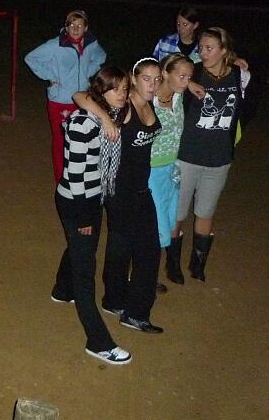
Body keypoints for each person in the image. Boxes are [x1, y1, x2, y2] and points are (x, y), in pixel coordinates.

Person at [51, 66, 132, 365]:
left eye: (124, 89)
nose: (121, 94)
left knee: (80, 249)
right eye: (115, 89)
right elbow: (74, 175)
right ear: (100, 92)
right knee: (86, 271)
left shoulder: (113, 115)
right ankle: (98, 342)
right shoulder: (82, 124)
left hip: (93, 197)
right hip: (78, 202)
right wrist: (85, 218)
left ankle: (62, 290)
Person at [76, 58, 164, 333]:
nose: (152, 84)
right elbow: (80, 96)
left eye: (157, 79)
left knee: (120, 245)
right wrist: (105, 119)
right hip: (123, 190)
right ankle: (136, 313)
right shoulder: (124, 105)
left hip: (137, 188)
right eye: (146, 78)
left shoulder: (150, 102)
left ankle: (113, 300)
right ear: (134, 79)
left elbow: (180, 77)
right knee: (148, 251)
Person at [177, 27, 258, 282]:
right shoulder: (193, 71)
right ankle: (172, 264)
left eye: (209, 48)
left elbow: (250, 106)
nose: (203, 52)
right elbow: (165, 74)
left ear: (223, 50)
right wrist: (187, 82)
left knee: (206, 212)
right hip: (187, 155)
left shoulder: (240, 75)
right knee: (177, 214)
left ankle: (198, 264)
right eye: (201, 48)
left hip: (219, 157)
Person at [25, 10, 107, 182]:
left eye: (79, 25)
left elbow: (101, 56)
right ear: (66, 26)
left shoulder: (91, 44)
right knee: (61, 140)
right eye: (71, 25)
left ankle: (78, 176)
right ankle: (61, 179)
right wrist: (51, 76)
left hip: (83, 100)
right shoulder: (55, 45)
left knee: (82, 139)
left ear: (86, 28)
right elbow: (31, 58)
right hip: (60, 101)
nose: (75, 29)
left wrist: (88, 72)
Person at [148, 54, 195, 292]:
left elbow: (204, 57)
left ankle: (151, 274)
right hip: (151, 171)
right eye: (182, 76)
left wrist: (234, 61)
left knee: (169, 221)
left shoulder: (178, 96)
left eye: (189, 77)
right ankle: (143, 277)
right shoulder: (149, 99)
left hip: (173, 169)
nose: (186, 81)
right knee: (153, 226)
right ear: (165, 73)